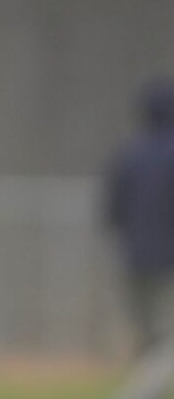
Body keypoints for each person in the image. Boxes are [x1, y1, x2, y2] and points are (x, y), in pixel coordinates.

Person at [106, 78, 174, 399]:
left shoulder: (128, 155)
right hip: (168, 266)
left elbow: (111, 212)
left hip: (133, 262)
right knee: (168, 345)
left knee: (150, 341)